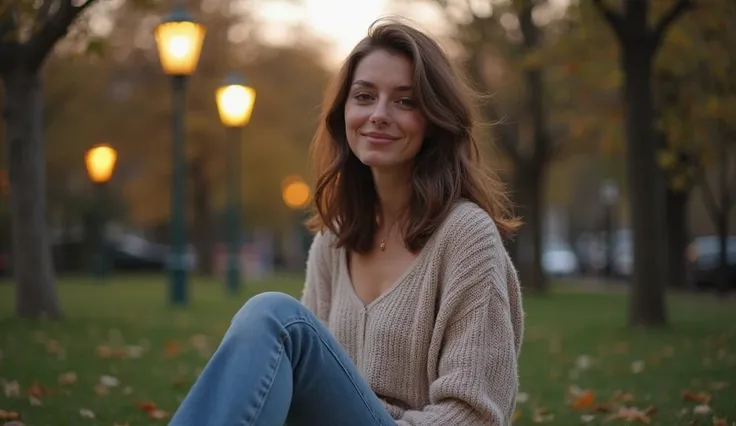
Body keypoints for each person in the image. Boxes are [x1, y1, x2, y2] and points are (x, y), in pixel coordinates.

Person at [170, 17, 524, 426]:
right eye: (364, 96)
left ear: (433, 120)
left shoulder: (466, 237)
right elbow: (300, 383)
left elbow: (475, 414)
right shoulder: (335, 238)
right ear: (343, 113)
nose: (379, 114)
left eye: (405, 101)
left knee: (275, 317)